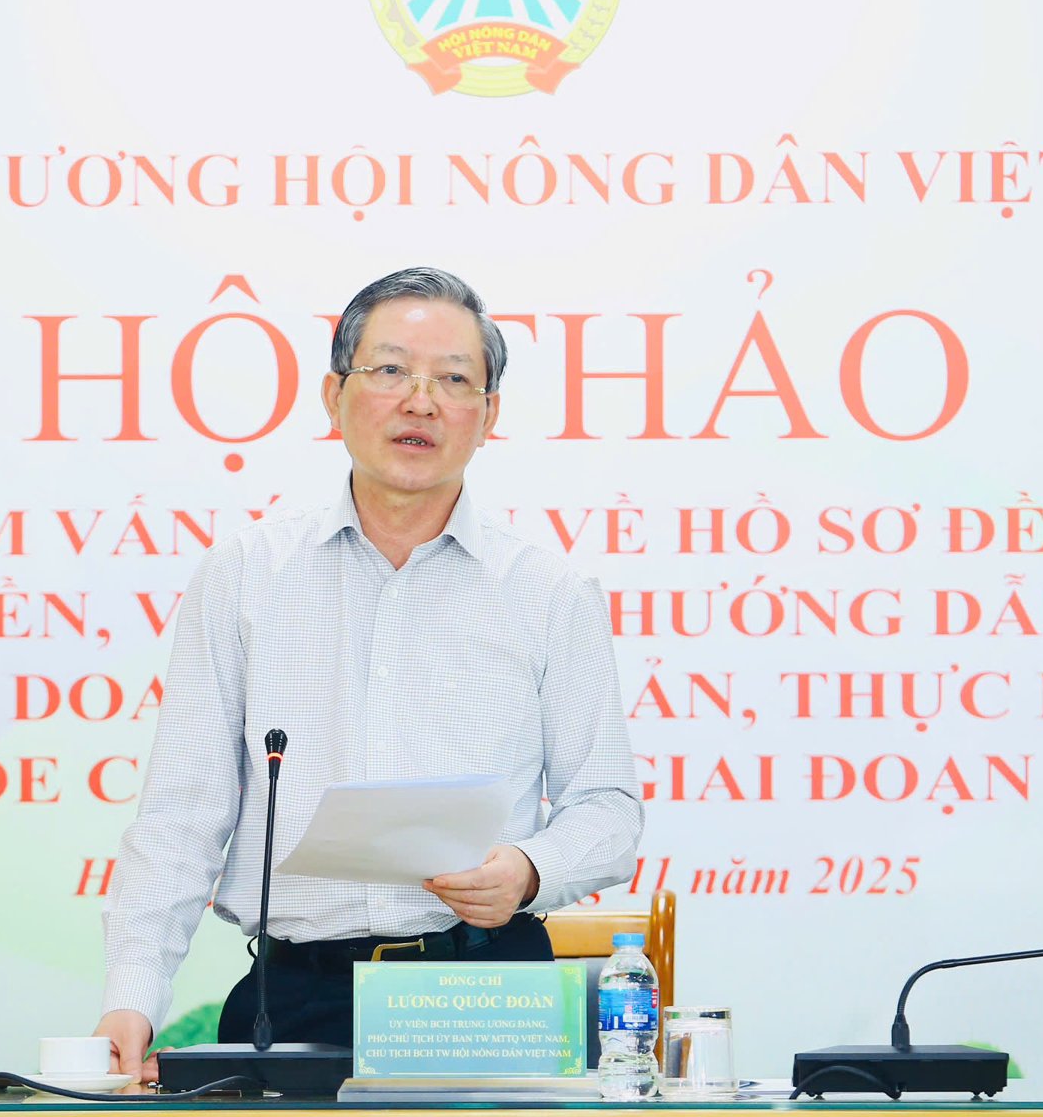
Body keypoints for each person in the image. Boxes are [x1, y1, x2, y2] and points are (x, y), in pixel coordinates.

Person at [94, 267, 643, 1078]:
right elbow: (182, 813)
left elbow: (608, 810)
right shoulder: (248, 574)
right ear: (333, 395)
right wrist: (131, 995)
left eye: (454, 380)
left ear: (487, 416)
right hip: (296, 997)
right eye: (389, 370)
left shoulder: (546, 591)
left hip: (483, 993)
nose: (420, 400)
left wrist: (529, 871)